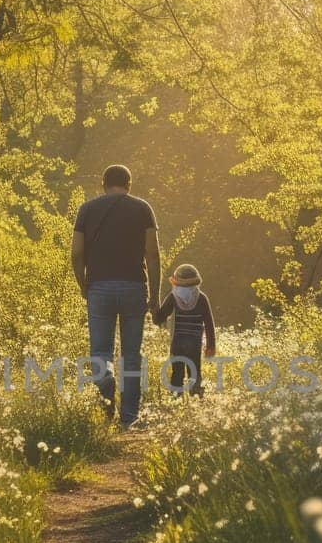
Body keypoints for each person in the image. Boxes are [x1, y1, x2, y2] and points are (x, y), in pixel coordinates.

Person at [71, 164, 160, 428]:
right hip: (134, 286)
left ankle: (105, 391)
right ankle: (129, 417)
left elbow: (76, 253)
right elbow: (153, 254)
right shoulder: (143, 208)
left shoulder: (86, 210)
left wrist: (82, 284)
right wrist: (154, 295)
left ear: (103, 183)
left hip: (99, 287)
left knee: (100, 351)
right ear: (129, 184)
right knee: (132, 355)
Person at [153, 263, 217, 396]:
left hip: (177, 343)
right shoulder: (202, 298)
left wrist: (153, 310)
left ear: (176, 283)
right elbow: (209, 324)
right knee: (194, 373)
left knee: (177, 373)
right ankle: (196, 397)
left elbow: (159, 318)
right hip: (194, 344)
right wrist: (210, 346)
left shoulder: (173, 297)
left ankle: (176, 399)